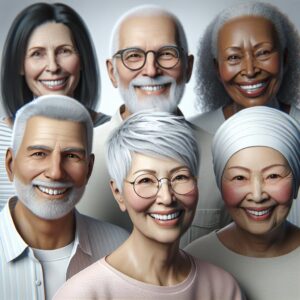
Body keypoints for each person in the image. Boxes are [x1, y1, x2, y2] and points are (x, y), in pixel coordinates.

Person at [77, 5, 226, 246]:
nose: (151, 70)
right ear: (112, 72)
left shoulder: (223, 155)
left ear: (188, 67)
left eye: (166, 54)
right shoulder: (77, 156)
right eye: (133, 55)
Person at [54, 111, 244, 300]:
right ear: (118, 193)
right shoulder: (83, 294)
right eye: (146, 180)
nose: (166, 197)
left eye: (180, 177)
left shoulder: (222, 288)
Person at [0, 95, 128, 300]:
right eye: (39, 153)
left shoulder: (122, 250)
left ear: (89, 169)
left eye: (71, 156)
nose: (56, 172)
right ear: (10, 164)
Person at [188, 1, 300, 227]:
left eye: (263, 52)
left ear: (285, 58)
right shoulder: (189, 138)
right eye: (233, 57)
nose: (250, 70)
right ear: (216, 67)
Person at [0, 2, 110, 210]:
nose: (52, 66)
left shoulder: (114, 132)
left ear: (82, 59)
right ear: (19, 65)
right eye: (37, 53)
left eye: (64, 51)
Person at [185, 106, 300, 300]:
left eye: (273, 176)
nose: (257, 195)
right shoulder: (192, 260)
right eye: (239, 178)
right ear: (220, 185)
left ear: (296, 181)